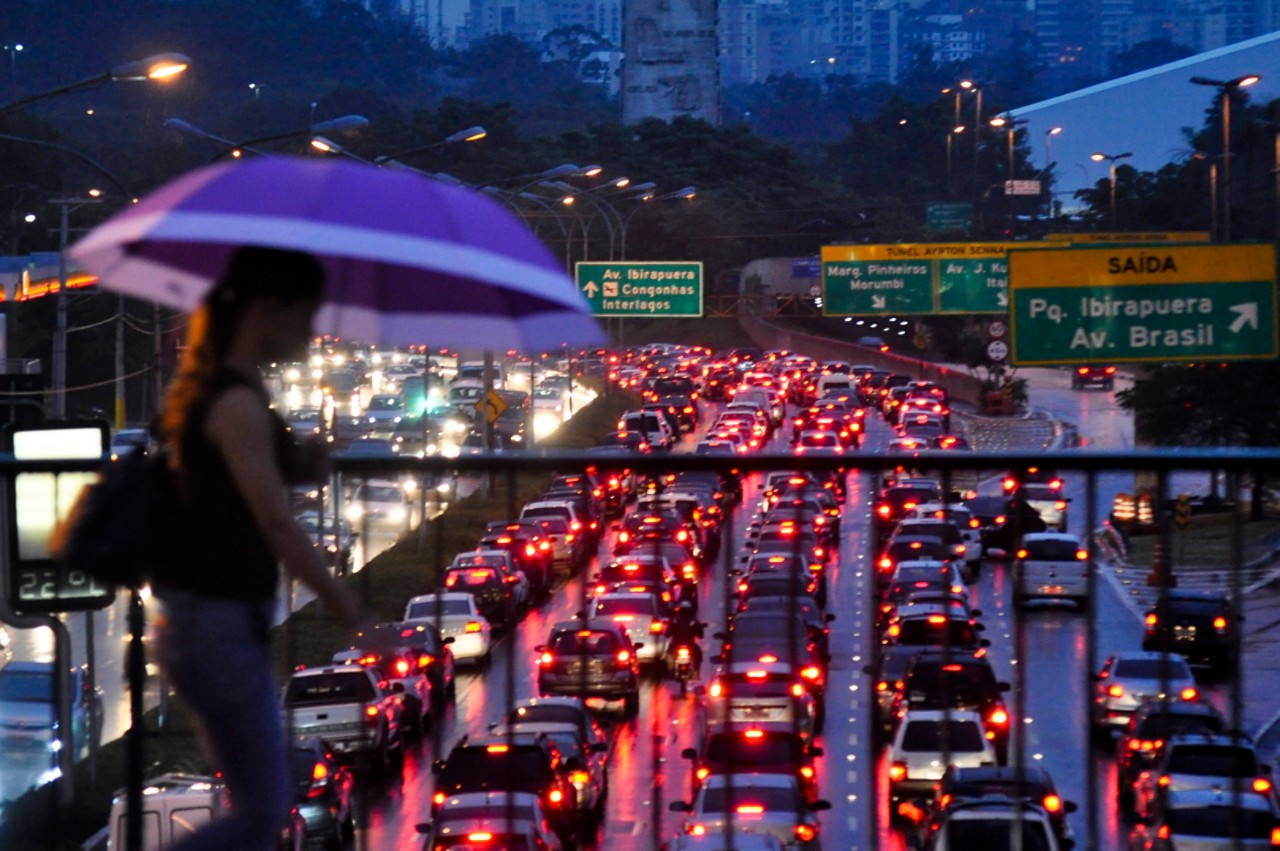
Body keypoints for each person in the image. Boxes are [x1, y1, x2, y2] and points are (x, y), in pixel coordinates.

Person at [151, 246, 370, 851]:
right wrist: (341, 600)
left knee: (257, 805)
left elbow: (272, 469)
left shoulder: (231, 391)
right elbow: (275, 521)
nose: (309, 333)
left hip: (207, 619)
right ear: (266, 313)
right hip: (213, 621)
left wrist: (307, 455)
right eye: (304, 317)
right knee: (262, 811)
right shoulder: (234, 401)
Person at [667, 600, 704, 671]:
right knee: (698, 655)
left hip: (678, 644)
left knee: (669, 654)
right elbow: (700, 634)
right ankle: (696, 669)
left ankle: (696, 669)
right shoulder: (693, 621)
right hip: (687, 644)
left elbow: (668, 632)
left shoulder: (675, 620)